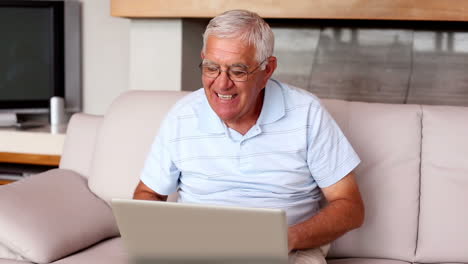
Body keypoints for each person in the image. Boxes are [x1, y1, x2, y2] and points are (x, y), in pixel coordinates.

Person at [133, 9, 364, 264]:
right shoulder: (182, 116)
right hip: (200, 250)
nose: (221, 84)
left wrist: (289, 238)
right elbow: (148, 194)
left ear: (267, 70)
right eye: (212, 68)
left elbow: (350, 207)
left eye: (238, 71)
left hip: (289, 250)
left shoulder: (307, 113)